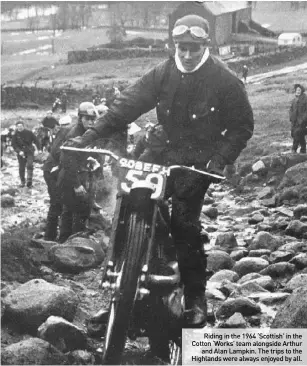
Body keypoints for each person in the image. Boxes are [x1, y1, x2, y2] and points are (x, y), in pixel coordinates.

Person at [68, 14, 254, 328]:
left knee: (184, 221)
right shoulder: (164, 72)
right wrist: (91, 134)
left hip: (197, 160)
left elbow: (242, 127)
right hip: (160, 149)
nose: (188, 54)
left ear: (205, 45)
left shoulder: (225, 80)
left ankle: (195, 297)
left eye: (194, 47)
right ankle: (118, 293)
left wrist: (220, 159)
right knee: (129, 206)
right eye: (182, 47)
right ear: (174, 45)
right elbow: (129, 103)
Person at [57, 102, 101, 243]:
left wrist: (91, 160)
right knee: (74, 211)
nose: (90, 122)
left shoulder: (88, 134)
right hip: (70, 178)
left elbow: (85, 155)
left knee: (74, 211)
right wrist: (76, 184)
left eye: (93, 119)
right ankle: (71, 244)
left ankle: (71, 242)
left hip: (79, 176)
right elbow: (66, 161)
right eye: (87, 118)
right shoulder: (74, 134)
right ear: (80, 118)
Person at [42, 115, 72, 241]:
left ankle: (52, 235)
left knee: (59, 203)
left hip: (54, 171)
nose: (49, 132)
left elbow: (61, 152)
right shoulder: (59, 134)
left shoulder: (64, 133)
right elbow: (56, 152)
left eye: (50, 129)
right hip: (51, 172)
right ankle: (50, 236)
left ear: (56, 126)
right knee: (56, 203)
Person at [11, 121, 40, 188]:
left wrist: (38, 150)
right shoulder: (15, 135)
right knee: (21, 168)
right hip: (21, 153)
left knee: (30, 165)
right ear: (16, 127)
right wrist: (19, 151)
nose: (19, 128)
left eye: (21, 126)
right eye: (18, 126)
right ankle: (22, 182)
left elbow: (36, 140)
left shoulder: (29, 132)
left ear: (23, 126)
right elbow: (14, 145)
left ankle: (29, 182)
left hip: (29, 151)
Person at [289, 83, 307, 154]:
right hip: (294, 121)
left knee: (297, 133)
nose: (298, 91)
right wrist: (291, 117)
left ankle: (294, 149)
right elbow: (291, 109)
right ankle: (303, 150)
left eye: (299, 90)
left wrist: (303, 119)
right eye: (296, 90)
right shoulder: (294, 100)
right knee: (296, 134)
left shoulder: (305, 99)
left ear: (302, 90)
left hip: (302, 122)